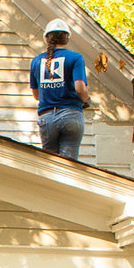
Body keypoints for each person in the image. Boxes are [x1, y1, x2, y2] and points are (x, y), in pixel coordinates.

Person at [29, 18, 90, 161]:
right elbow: (80, 89)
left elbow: (36, 95)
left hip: (47, 117)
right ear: (67, 38)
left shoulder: (37, 61)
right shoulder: (75, 58)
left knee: (50, 165)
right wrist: (87, 100)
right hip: (70, 115)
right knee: (69, 166)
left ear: (46, 38)